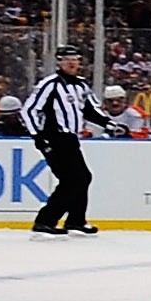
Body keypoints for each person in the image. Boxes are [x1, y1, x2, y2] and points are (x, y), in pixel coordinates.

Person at [20, 50, 99, 235]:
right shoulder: (50, 84)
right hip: (54, 138)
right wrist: (37, 136)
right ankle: (46, 220)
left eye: (75, 59)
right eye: (66, 60)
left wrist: (110, 124)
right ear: (59, 63)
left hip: (71, 138)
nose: (71, 63)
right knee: (72, 180)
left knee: (82, 177)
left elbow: (91, 110)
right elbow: (28, 110)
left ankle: (75, 220)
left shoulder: (81, 85)